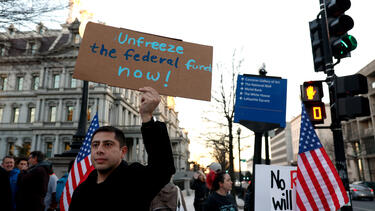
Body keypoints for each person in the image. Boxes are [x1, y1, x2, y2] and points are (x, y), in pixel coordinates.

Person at [69, 87, 176, 211]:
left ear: (123, 151)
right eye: (95, 145)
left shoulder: (135, 181)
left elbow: (163, 168)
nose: (99, 150)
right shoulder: (82, 190)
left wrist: (146, 116)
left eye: (108, 144)